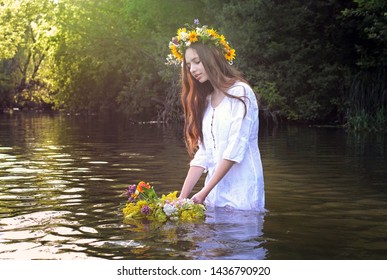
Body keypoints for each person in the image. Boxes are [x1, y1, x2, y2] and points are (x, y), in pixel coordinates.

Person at [166, 20, 265, 211]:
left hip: (242, 194)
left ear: (212, 58)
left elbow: (235, 148)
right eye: (188, 65)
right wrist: (181, 198)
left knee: (238, 239)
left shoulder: (241, 92)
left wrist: (203, 192)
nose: (192, 69)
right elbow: (204, 154)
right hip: (213, 196)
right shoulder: (208, 100)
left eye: (197, 61)